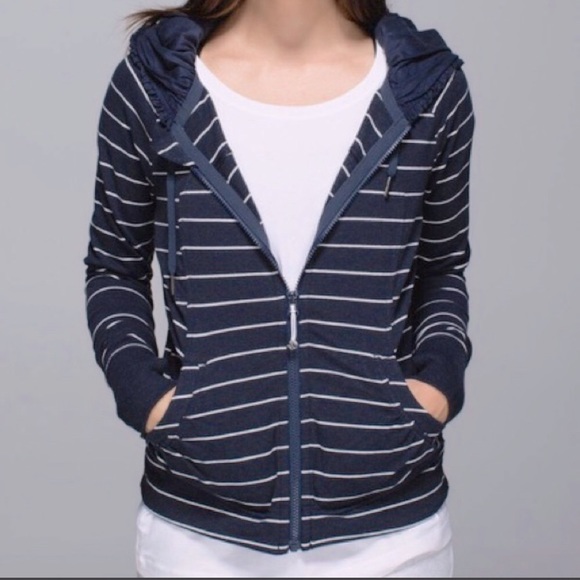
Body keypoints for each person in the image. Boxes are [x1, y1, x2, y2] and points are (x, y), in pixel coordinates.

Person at [84, 0, 475, 576]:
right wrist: (148, 401)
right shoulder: (154, 87)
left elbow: (441, 268)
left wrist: (436, 386)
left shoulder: (427, 90)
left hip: (394, 537)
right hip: (198, 538)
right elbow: (114, 267)